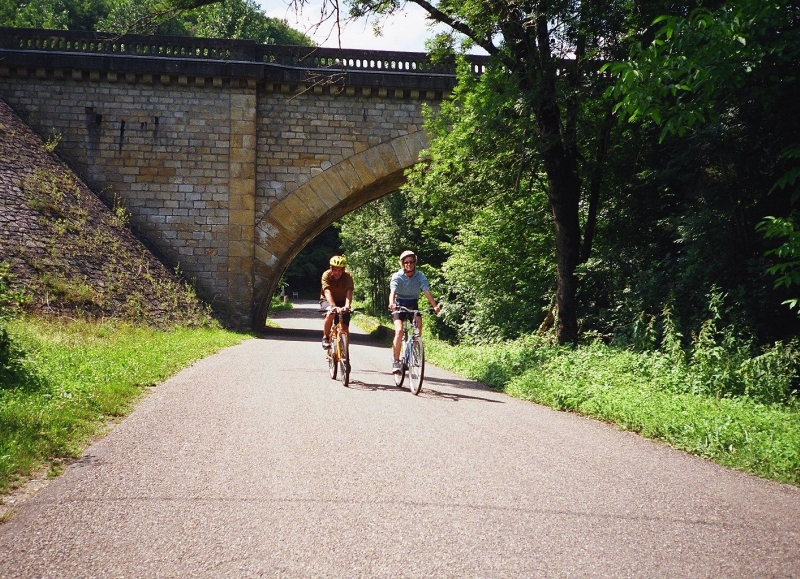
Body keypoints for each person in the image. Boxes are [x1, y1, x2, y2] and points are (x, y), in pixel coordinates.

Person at [388, 250, 441, 374]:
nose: (409, 264)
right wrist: (392, 303)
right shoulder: (397, 276)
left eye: (411, 262)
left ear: (415, 262)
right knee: (399, 330)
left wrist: (435, 306)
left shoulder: (420, 276)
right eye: (406, 262)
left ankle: (412, 352)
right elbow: (393, 292)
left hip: (412, 304)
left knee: (418, 328)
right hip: (399, 304)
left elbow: (426, 291)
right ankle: (396, 361)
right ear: (402, 264)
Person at [320, 255, 354, 348]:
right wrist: (333, 306)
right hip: (327, 300)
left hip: (342, 301)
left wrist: (347, 305)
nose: (337, 273)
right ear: (331, 268)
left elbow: (349, 291)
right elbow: (327, 291)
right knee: (331, 313)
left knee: (345, 328)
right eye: (335, 270)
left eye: (340, 270)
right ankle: (325, 338)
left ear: (343, 270)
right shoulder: (326, 275)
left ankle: (345, 354)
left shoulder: (347, 276)